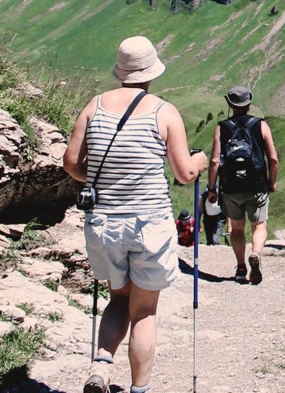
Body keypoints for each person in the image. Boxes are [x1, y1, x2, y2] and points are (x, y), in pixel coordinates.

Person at [63, 35, 208, 393]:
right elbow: (184, 174)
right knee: (143, 311)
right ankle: (139, 389)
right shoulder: (163, 111)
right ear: (151, 72)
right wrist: (200, 162)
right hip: (148, 224)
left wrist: (102, 177)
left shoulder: (94, 106)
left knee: (118, 299)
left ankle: (100, 366)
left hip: (104, 223)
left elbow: (71, 163)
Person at [206, 86, 278, 284]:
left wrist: (212, 188)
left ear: (230, 104)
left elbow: (214, 161)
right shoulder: (261, 125)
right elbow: (273, 158)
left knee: (237, 229)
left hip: (231, 186)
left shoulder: (222, 127)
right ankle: (256, 253)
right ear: (249, 103)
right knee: (259, 225)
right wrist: (271, 182)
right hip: (257, 185)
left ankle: (240, 267)